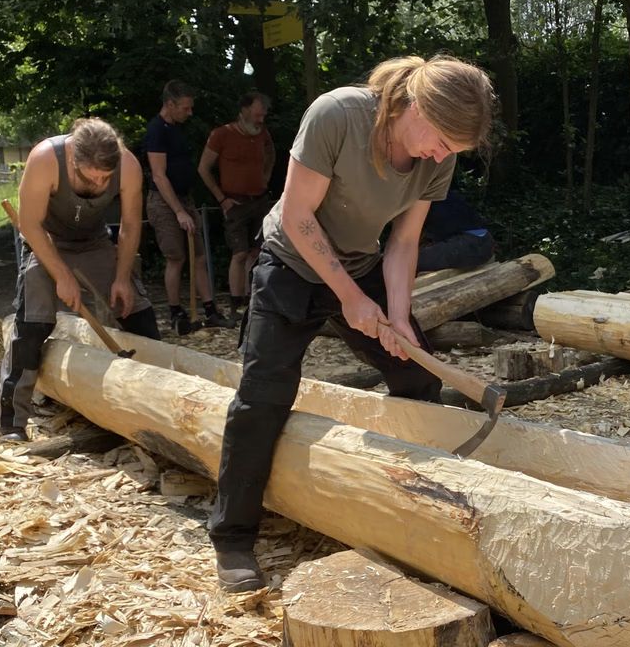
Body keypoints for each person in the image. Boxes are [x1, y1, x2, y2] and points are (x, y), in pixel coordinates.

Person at [208, 55, 496, 592]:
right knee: (262, 395)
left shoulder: (437, 156)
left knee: (417, 378)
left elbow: (405, 243)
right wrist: (349, 300)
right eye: (440, 141)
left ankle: (423, 500)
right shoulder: (338, 114)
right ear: (415, 105)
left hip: (362, 265)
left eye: (452, 152)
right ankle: (232, 536)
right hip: (290, 263)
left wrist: (399, 316)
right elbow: (297, 217)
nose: (441, 155)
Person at [0, 118, 160, 442]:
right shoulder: (45, 159)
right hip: (46, 242)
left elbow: (128, 227)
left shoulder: (128, 165)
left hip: (96, 242)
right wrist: (61, 275)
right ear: (72, 159)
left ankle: (156, 406)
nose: (99, 186)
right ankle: (10, 424)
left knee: (136, 313)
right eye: (89, 177)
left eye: (105, 179)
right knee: (33, 323)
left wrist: (123, 278)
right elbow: (29, 225)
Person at [144, 80, 231, 333]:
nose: (189, 113)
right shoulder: (156, 131)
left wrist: (185, 206)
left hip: (185, 198)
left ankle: (210, 309)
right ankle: (176, 313)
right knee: (176, 257)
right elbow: (159, 176)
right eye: (185, 108)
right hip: (164, 202)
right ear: (170, 104)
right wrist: (178, 212)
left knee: (199, 256)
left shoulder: (176, 129)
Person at [198, 92, 277, 321]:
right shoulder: (222, 134)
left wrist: (265, 177)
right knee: (239, 252)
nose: (261, 118)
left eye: (263, 114)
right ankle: (236, 302)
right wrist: (221, 198)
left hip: (259, 200)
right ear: (244, 110)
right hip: (234, 202)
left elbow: (271, 154)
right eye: (257, 113)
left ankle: (251, 299)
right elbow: (203, 168)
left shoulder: (263, 134)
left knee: (256, 251)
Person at [417, 187, 495, 272]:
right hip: (479, 239)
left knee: (409, 261)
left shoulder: (422, 196)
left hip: (472, 242)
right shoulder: (435, 188)